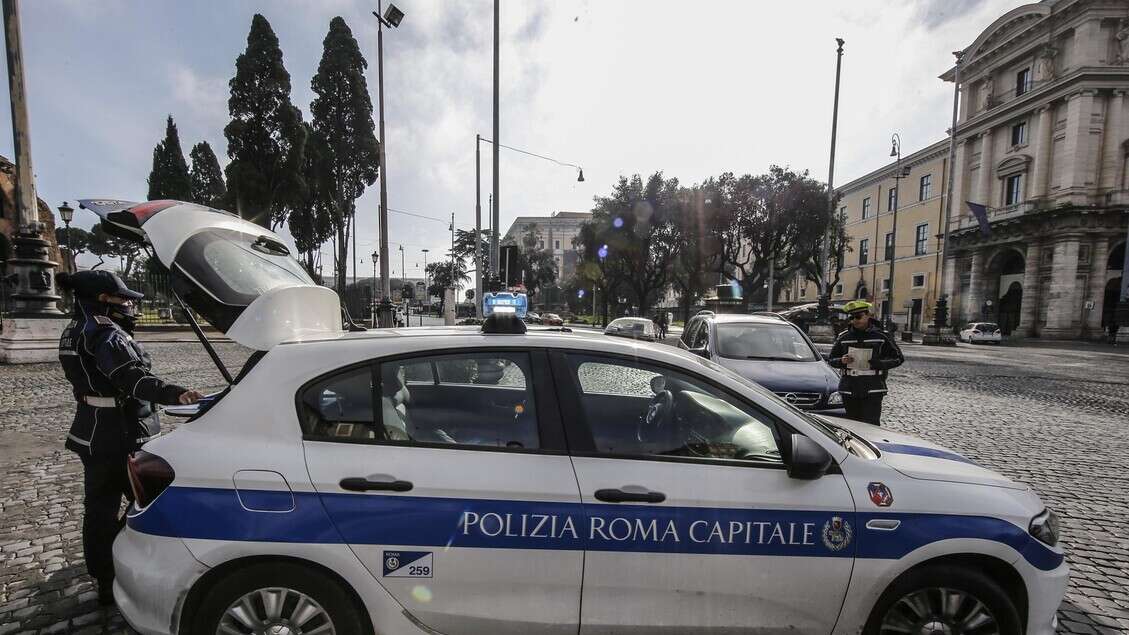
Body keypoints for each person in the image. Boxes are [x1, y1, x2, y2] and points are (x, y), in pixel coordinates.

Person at [56, 271, 203, 606]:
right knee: (153, 499)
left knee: (99, 508)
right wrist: (176, 394)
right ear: (103, 300)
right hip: (121, 431)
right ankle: (134, 566)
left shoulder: (74, 329)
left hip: (91, 430)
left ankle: (105, 576)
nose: (128, 305)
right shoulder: (105, 333)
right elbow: (132, 379)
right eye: (122, 299)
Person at [827, 300, 904, 426]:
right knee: (851, 426)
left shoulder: (882, 336)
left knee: (871, 425)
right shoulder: (844, 337)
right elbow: (831, 359)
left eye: (858, 316)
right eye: (851, 317)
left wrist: (880, 363)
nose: (855, 320)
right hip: (849, 387)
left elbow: (898, 358)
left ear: (868, 315)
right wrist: (841, 360)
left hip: (873, 387)